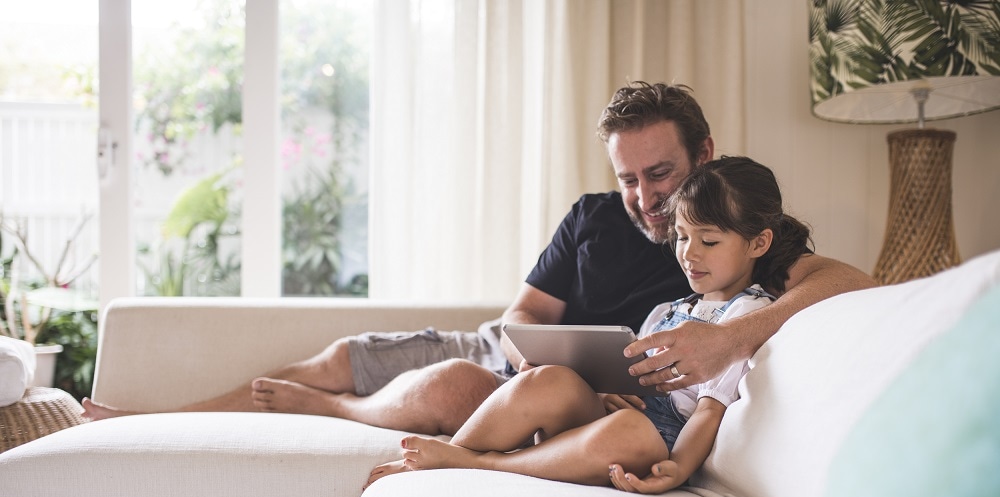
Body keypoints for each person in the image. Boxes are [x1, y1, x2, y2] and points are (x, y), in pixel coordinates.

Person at [82, 82, 874, 435]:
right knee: (337, 355)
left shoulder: (733, 234)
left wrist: (733, 337)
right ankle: (142, 422)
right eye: (627, 177)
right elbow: (527, 312)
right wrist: (526, 334)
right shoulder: (592, 219)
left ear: (704, 152)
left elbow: (851, 281)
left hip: (576, 396)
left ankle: (340, 414)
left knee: (450, 387)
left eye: (660, 174)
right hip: (509, 358)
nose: (644, 196)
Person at [368, 156, 809, 493]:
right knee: (551, 379)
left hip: (656, 439)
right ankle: (455, 452)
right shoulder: (670, 310)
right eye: (682, 236)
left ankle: (481, 463)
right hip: (621, 415)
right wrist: (598, 387)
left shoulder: (746, 315)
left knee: (629, 431)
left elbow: (710, 410)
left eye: (708, 241)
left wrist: (679, 467)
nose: (689, 254)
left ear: (759, 243)